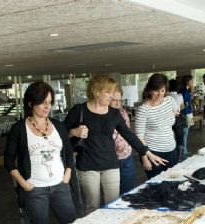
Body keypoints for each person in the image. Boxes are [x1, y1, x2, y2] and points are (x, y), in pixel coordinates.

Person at [64, 74, 166, 214]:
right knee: (92, 206)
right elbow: (62, 134)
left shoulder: (114, 113)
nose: (111, 96)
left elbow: (129, 135)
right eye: (108, 92)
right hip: (87, 165)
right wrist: (74, 132)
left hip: (111, 164)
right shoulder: (79, 110)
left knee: (113, 205)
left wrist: (147, 152)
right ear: (96, 91)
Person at [4, 81, 77, 224]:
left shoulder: (58, 125)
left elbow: (68, 153)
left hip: (60, 186)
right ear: (31, 103)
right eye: (42, 102)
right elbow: (8, 160)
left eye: (49, 102)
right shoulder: (19, 129)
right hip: (35, 190)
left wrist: (67, 176)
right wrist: (24, 184)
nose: (47, 106)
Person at [134, 73, 178, 179]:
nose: (160, 94)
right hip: (153, 153)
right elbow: (139, 138)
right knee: (157, 185)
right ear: (149, 90)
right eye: (156, 91)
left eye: (162, 91)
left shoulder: (170, 101)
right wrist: (145, 159)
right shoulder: (143, 110)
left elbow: (176, 112)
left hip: (172, 150)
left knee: (173, 181)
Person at [110, 85, 135, 194]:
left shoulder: (123, 113)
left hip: (126, 158)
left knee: (128, 192)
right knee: (113, 195)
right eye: (114, 100)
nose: (117, 103)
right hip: (110, 161)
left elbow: (128, 134)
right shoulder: (101, 115)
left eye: (119, 100)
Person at [168, 78, 186, 160]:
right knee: (180, 137)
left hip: (167, 119)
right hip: (178, 119)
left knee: (170, 137)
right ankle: (180, 156)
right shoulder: (180, 96)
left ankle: (171, 155)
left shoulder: (166, 97)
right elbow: (182, 107)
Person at [179, 75, 194, 159]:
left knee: (185, 132)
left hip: (187, 112)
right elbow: (185, 103)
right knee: (185, 132)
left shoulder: (184, 90)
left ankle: (184, 149)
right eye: (191, 81)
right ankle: (184, 150)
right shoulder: (185, 91)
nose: (192, 83)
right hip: (186, 113)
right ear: (188, 82)